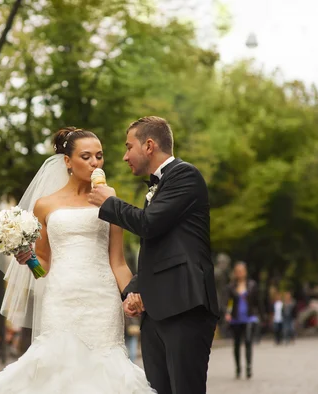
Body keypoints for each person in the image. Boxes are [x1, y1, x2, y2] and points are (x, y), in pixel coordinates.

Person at [0, 127, 153, 393]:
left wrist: (131, 293)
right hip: (60, 298)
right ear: (67, 161)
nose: (94, 163)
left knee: (104, 372)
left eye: (99, 156)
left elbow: (118, 262)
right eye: (86, 156)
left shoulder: (110, 200)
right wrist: (28, 259)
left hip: (102, 300)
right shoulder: (45, 205)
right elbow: (43, 266)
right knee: (57, 372)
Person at [89, 116, 220, 394]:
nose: (124, 156)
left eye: (128, 147)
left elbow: (149, 224)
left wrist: (110, 203)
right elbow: (159, 247)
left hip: (184, 306)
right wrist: (135, 289)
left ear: (149, 145)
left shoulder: (185, 175)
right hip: (157, 313)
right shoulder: (157, 186)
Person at [224, 262, 259, 379]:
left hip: (249, 317)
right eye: (237, 271)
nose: (240, 273)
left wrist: (261, 315)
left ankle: (249, 367)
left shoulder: (252, 285)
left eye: (242, 270)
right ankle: (238, 368)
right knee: (237, 344)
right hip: (236, 318)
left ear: (245, 272)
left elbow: (257, 301)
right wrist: (228, 313)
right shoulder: (231, 286)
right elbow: (229, 302)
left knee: (248, 341)